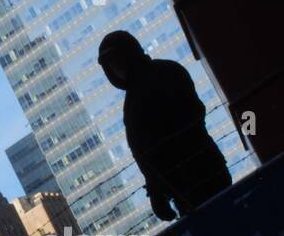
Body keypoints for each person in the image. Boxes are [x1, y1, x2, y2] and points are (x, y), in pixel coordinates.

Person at [97, 31, 231, 221]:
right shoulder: (162, 75)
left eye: (118, 58)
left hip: (200, 173)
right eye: (111, 64)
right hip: (186, 186)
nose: (116, 66)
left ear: (130, 53)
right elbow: (144, 153)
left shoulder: (162, 76)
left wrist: (158, 188)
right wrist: (157, 190)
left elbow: (190, 116)